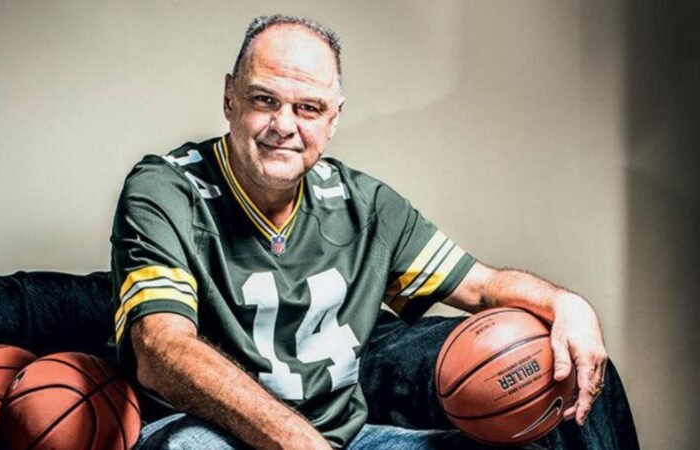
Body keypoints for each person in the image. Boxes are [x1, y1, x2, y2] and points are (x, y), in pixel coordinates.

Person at [110, 14, 626, 450]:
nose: (284, 125)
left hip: (345, 440)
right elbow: (161, 350)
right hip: (211, 433)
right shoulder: (165, 189)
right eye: (264, 100)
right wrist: (296, 442)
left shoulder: (365, 206)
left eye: (308, 108)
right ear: (230, 99)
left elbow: (483, 287)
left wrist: (567, 305)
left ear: (333, 119)